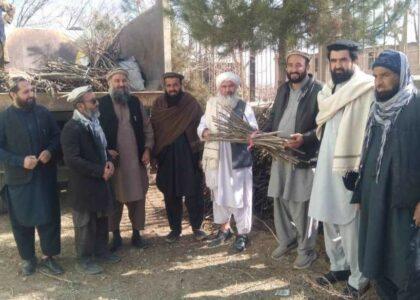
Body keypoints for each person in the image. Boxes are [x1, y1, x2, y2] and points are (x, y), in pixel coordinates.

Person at [352, 50, 420, 299]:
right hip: (375, 199)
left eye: (386, 75)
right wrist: (360, 192)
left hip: (405, 204)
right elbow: (367, 152)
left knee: (406, 265)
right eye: (375, 75)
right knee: (377, 259)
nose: (378, 82)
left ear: (401, 75)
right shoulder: (376, 107)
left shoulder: (416, 105)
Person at [308, 40, 373, 297]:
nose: (337, 65)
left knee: (350, 223)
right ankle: (339, 266)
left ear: (354, 61)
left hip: (351, 165)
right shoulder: (327, 91)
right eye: (333, 61)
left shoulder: (366, 87)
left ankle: (359, 277)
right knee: (328, 216)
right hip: (326, 161)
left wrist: (360, 169)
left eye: (342, 60)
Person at [264, 50, 322, 269]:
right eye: (290, 65)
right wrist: (262, 135)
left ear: (307, 66)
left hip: (302, 157)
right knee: (279, 200)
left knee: (301, 204)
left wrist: (305, 139)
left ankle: (306, 250)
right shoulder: (283, 89)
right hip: (279, 154)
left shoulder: (318, 90)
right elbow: (273, 118)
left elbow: (323, 125)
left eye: (298, 65)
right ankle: (286, 240)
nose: (294, 69)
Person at [0, 77, 63, 276]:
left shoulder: (43, 113)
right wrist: (20, 161)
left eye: (32, 90)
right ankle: (28, 259)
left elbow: (57, 137)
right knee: (21, 221)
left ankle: (49, 256)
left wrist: (49, 152)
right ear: (13, 94)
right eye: (26, 92)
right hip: (19, 178)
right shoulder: (4, 118)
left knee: (49, 217)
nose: (31, 95)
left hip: (44, 176)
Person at [61, 86, 120, 275]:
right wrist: (100, 170)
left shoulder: (94, 122)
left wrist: (109, 163)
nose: (97, 104)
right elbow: (72, 160)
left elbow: (103, 150)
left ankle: (101, 252)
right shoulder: (72, 128)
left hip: (100, 181)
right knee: (85, 224)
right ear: (80, 105)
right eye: (93, 101)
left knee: (102, 218)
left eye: (96, 100)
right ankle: (84, 260)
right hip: (84, 185)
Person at [198, 71, 258, 252]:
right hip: (216, 156)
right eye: (224, 86)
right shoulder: (211, 104)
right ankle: (225, 229)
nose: (227, 90)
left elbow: (254, 128)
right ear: (218, 88)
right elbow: (202, 125)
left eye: (231, 86)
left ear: (236, 87)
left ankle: (242, 234)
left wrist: (253, 134)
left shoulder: (243, 106)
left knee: (241, 197)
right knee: (218, 193)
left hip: (237, 157)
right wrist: (204, 132)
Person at [98, 69, 154, 251]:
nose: (121, 84)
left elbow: (147, 128)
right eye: (117, 81)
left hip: (135, 160)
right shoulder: (102, 104)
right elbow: (95, 132)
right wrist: (105, 150)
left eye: (123, 81)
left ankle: (137, 234)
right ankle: (115, 236)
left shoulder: (135, 102)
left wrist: (147, 149)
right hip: (114, 164)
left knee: (138, 197)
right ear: (110, 83)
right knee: (114, 198)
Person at [151, 72, 207, 243]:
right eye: (169, 85)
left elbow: (202, 127)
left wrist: (201, 155)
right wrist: (154, 155)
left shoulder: (190, 102)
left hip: (189, 154)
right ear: (165, 86)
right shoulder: (158, 103)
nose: (172, 89)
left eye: (175, 85)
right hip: (166, 154)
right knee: (170, 193)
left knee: (193, 192)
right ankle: (175, 230)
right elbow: (155, 129)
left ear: (180, 85)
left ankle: (197, 228)